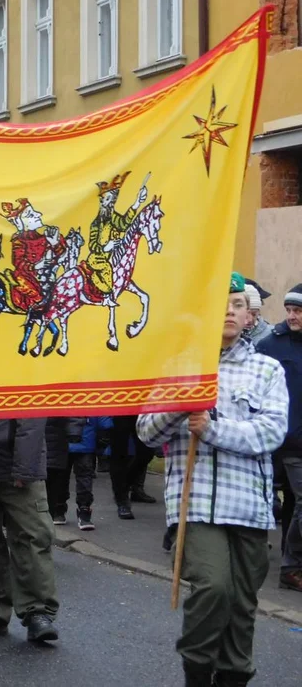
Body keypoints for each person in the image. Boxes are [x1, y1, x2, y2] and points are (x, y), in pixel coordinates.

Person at [138, 273, 288, 687]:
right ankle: (197, 670)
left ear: (249, 314)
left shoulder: (267, 369)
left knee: (241, 604)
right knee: (213, 587)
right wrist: (181, 404)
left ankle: (234, 676)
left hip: (250, 506)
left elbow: (271, 433)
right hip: (197, 502)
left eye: (238, 304)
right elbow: (147, 431)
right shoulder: (179, 367)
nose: (228, 310)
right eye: (220, 303)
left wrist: (213, 429)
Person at [0, 418, 63, 643]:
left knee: (32, 538)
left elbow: (32, 416)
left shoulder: (23, 379)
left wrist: (25, 467)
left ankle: (37, 610)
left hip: (17, 466)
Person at [257, 282, 302, 592]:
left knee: (293, 504)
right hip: (290, 441)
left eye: (297, 311)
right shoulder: (271, 343)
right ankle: (290, 566)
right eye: (289, 310)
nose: (291, 316)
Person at [86, 172, 148, 307]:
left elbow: (124, 224)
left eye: (106, 200)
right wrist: (105, 247)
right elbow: (92, 245)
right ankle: (107, 296)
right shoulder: (96, 224)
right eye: (102, 200)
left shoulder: (113, 218)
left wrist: (137, 203)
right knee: (107, 268)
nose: (103, 203)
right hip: (97, 259)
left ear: (112, 202)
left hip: (110, 256)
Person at [46, 417, 109, 530]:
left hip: (61, 441)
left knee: (61, 477)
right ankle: (84, 511)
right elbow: (104, 420)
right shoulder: (90, 400)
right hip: (86, 440)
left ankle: (59, 509)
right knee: (84, 477)